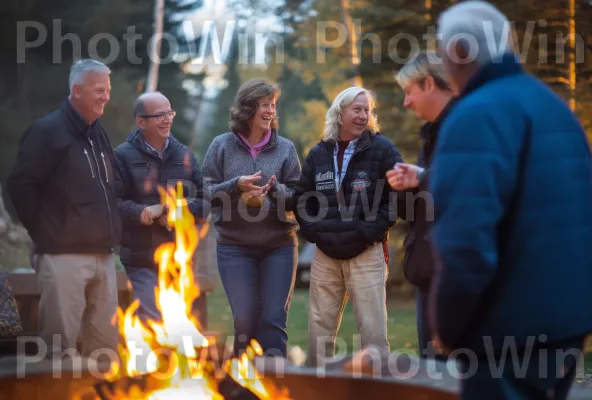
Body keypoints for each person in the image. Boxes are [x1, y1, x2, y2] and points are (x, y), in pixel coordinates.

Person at [428, 1, 592, 398]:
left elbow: (465, 242)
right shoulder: (552, 107)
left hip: (508, 332)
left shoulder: (476, 115)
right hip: (567, 325)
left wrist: (450, 326)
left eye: (442, 50)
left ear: (460, 51)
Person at [7, 59, 121, 360]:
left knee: (106, 351)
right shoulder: (46, 131)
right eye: (99, 90)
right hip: (63, 258)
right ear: (77, 90)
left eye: (108, 90)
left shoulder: (99, 133)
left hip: (105, 256)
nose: (106, 96)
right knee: (59, 353)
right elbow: (20, 185)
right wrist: (46, 235)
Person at [293, 87, 404, 367]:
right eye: (357, 109)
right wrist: (315, 233)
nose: (363, 115)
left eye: (367, 110)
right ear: (339, 112)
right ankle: (317, 392)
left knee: (373, 335)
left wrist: (368, 233)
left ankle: (377, 392)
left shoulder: (383, 149)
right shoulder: (319, 153)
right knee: (319, 336)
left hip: (366, 253)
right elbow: (302, 199)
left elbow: (397, 198)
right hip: (325, 256)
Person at [201, 78, 301, 358]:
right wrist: (236, 185)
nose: (270, 111)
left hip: (279, 245)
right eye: (264, 105)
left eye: (273, 105)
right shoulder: (221, 146)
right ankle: (242, 386)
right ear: (247, 109)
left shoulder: (286, 149)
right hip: (234, 246)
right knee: (244, 320)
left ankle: (274, 385)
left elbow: (299, 196)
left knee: (272, 321)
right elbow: (205, 192)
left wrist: (275, 190)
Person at [113, 92, 210, 322]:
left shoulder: (184, 155)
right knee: (152, 323)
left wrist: (175, 210)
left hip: (181, 263)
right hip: (140, 261)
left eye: (169, 113)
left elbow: (206, 200)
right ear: (141, 122)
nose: (168, 119)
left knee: (184, 327)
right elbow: (113, 204)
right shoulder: (121, 156)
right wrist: (143, 212)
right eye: (159, 115)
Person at [386, 50, 455, 359]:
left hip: (453, 276)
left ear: (428, 83)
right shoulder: (433, 134)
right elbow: (417, 208)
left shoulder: (465, 126)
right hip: (428, 274)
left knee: (454, 375)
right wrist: (405, 188)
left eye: (408, 92)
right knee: (433, 369)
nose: (406, 102)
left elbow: (468, 189)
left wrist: (424, 177)